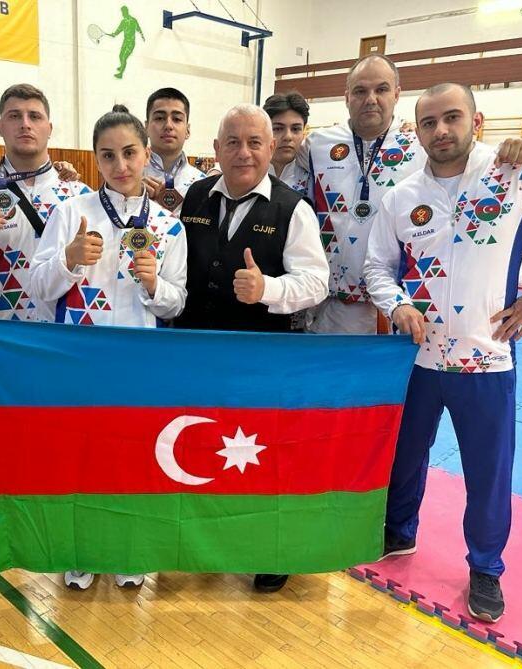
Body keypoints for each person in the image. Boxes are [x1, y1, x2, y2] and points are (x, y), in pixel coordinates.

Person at [364, 83, 522, 623]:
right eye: (429, 122)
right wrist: (397, 304)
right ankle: (398, 531)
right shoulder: (401, 197)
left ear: (477, 120)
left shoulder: (515, 175)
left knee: (488, 470)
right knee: (405, 454)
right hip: (418, 357)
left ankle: (486, 566)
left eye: (452, 117)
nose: (441, 130)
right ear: (417, 132)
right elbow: (377, 266)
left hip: (487, 356)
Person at [30, 104, 187, 589]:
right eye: (108, 155)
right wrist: (69, 260)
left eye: (130, 153)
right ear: (95, 158)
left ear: (146, 154)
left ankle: (127, 546)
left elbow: (177, 302)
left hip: (140, 365)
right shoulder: (70, 213)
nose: (120, 165)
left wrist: (155, 284)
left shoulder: (169, 225)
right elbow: (38, 287)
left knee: (133, 458)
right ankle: (82, 548)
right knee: (83, 457)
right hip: (80, 362)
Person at [175, 104, 328, 592]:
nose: (243, 153)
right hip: (197, 350)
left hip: (260, 358)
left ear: (271, 148)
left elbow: (316, 282)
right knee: (202, 447)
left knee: (261, 455)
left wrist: (269, 290)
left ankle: (271, 548)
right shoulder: (195, 196)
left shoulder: (293, 209)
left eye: (254, 142)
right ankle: (207, 543)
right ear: (216, 149)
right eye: (233, 142)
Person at [300, 54, 522, 335]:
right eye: (360, 91)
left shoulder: (422, 141)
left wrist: (515, 148)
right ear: (346, 97)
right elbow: (278, 162)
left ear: (397, 94)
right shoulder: (317, 145)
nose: (371, 99)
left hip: (405, 308)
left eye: (381, 89)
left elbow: (475, 156)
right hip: (331, 305)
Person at [0, 83, 91, 552]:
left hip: (64, 332)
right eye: (15, 116)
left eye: (34, 116)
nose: (25, 124)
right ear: (0, 126)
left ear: (50, 126)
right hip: (3, 332)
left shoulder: (79, 193)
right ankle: (1, 512)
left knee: (66, 429)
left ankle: (64, 512)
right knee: (4, 428)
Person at [142, 87, 205, 215]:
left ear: (187, 130)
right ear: (146, 127)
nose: (168, 126)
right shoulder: (129, 179)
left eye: (176, 119)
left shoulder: (203, 184)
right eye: (160, 118)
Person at [263, 91, 311, 196]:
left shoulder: (313, 173)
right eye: (278, 129)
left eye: (295, 129)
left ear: (304, 132)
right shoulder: (250, 171)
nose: (288, 137)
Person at [109, 5, 144, 79]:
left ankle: (121, 74)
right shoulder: (123, 22)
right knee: (120, 56)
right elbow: (118, 30)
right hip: (125, 42)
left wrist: (142, 36)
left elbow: (138, 28)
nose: (122, 14)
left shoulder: (133, 20)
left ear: (127, 11)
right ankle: (122, 66)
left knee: (124, 58)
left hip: (131, 43)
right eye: (122, 12)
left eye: (123, 12)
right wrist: (113, 34)